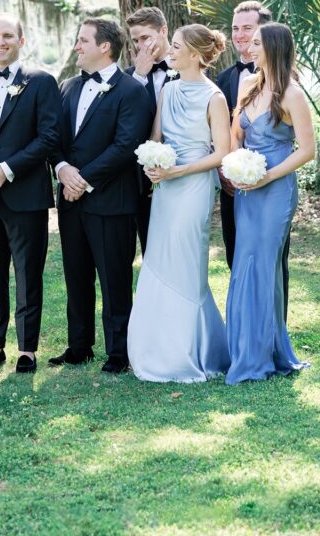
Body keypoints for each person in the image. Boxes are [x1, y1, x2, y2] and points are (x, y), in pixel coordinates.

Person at [128, 24, 231, 383]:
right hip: (167, 189)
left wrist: (179, 170)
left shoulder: (214, 98)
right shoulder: (168, 90)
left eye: (175, 46)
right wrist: (154, 163)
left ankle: (194, 351)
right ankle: (157, 348)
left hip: (194, 186)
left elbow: (222, 153)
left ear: (196, 55)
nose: (169, 51)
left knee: (187, 263)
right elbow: (156, 137)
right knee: (159, 258)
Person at [49, 19, 152, 372]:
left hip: (111, 200)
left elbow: (127, 145)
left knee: (114, 278)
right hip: (70, 199)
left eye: (82, 40)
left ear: (104, 46)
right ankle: (79, 345)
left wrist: (84, 180)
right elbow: (55, 138)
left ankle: (119, 352)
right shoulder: (66, 88)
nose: (77, 46)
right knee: (76, 275)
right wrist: (62, 168)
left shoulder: (130, 91)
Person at [0, 14, 61, 374]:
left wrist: (6, 170)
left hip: (26, 195)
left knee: (27, 271)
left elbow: (49, 137)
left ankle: (27, 348)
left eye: (8, 35)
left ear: (22, 40)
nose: (1, 41)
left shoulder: (41, 83)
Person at [225, 22, 315, 385]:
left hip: (276, 191)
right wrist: (236, 166)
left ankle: (263, 355)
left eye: (257, 41)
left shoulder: (293, 94)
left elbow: (307, 151)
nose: (249, 44)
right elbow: (236, 134)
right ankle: (243, 349)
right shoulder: (248, 85)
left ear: (274, 48)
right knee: (244, 264)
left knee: (264, 265)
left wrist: (268, 175)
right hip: (247, 189)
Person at [215, 2, 292, 306]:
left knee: (272, 262)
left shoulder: (288, 83)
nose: (240, 34)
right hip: (233, 187)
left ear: (264, 33)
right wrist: (227, 170)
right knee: (238, 258)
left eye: (247, 28)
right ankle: (246, 330)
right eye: (235, 28)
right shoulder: (223, 80)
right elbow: (221, 133)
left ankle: (274, 332)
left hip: (271, 184)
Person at [124, 6, 174, 253]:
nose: (140, 46)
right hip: (139, 178)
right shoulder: (128, 79)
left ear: (163, 31)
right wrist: (139, 76)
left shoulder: (187, 70)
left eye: (145, 38)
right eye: (135, 40)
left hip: (180, 171)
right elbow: (123, 120)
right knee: (150, 249)